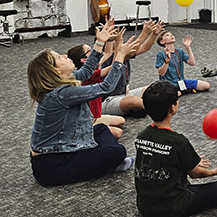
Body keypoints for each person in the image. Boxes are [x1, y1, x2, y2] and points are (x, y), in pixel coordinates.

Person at [27, 21, 140, 186]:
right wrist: (120, 56)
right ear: (55, 71)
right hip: (52, 166)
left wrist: (100, 42)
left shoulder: (63, 83)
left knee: (101, 129)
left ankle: (100, 160)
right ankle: (107, 163)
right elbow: (106, 87)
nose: (65, 56)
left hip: (64, 151)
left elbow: (86, 72)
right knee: (117, 152)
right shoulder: (61, 94)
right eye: (60, 58)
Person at [134, 81, 217, 217]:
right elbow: (195, 174)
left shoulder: (142, 134)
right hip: (173, 207)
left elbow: (155, 158)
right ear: (173, 108)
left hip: (145, 206)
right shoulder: (178, 141)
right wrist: (215, 171)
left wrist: (186, 160)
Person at [101, 17, 164, 116]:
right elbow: (116, 65)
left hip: (124, 94)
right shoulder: (105, 58)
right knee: (135, 101)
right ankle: (143, 107)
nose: (121, 40)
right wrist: (144, 33)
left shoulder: (124, 53)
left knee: (155, 89)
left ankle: (136, 109)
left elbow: (144, 48)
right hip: (108, 100)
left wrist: (154, 34)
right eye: (116, 40)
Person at [67, 43, 127, 137]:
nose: (93, 51)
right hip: (88, 118)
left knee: (121, 120)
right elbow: (113, 67)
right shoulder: (88, 75)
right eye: (89, 51)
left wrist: (112, 39)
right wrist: (121, 53)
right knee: (117, 133)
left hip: (95, 116)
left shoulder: (91, 67)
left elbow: (107, 53)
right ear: (84, 60)